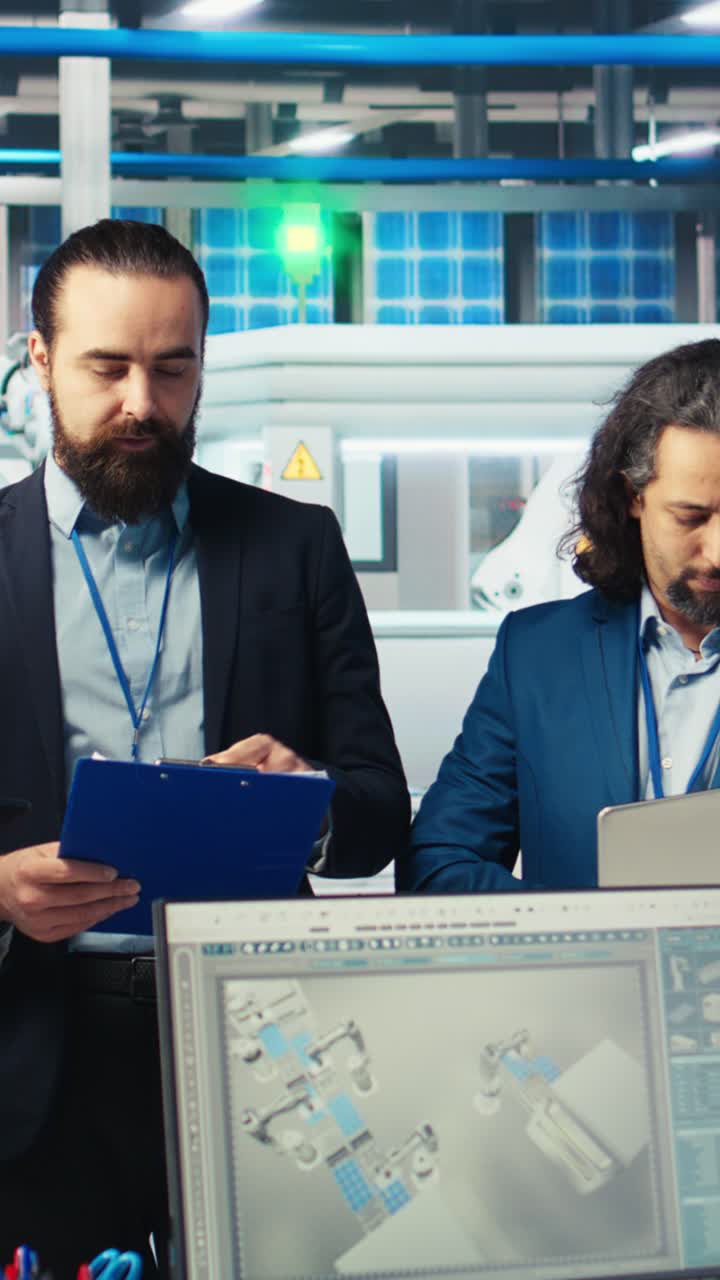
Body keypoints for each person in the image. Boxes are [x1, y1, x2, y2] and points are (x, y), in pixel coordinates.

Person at [0, 219, 409, 1277]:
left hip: (262, 1043)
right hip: (35, 1048)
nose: (142, 401)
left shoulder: (294, 546)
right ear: (39, 360)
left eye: (173, 367)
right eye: (108, 366)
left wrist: (309, 803)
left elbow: (379, 808)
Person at [396, 337, 720, 895]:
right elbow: (439, 860)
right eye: (690, 517)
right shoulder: (537, 655)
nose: (718, 551)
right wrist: (579, 934)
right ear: (632, 497)